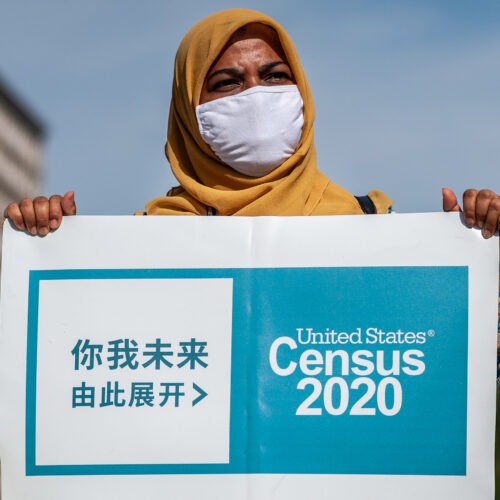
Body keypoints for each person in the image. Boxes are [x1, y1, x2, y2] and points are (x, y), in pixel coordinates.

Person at [3, 9, 500, 236]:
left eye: (274, 76)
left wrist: (477, 257)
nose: (256, 96)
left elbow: (449, 365)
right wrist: (45, 251)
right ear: (187, 113)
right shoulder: (148, 241)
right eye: (226, 83)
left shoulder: (372, 226)